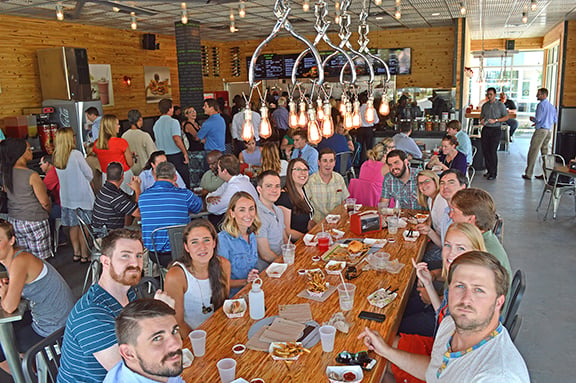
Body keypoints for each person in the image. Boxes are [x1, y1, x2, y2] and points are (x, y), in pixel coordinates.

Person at [359, 251, 529, 382]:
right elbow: (435, 372)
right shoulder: (450, 324)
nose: (466, 299)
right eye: (460, 286)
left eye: (479, 290)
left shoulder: (496, 376)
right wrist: (386, 350)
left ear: (499, 302)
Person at [58, 229, 174, 383]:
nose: (135, 263)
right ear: (106, 261)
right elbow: (134, 376)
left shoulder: (129, 292)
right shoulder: (92, 314)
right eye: (125, 256)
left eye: (139, 256)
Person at [0, 219, 74, 371]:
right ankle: (32, 368)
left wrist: (4, 292)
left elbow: (9, 307)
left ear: (11, 240)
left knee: (2, 346)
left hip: (54, 328)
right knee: (8, 332)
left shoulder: (20, 261)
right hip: (57, 318)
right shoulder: (17, 258)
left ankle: (27, 376)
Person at [165, 219, 231, 336]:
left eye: (206, 240)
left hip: (218, 331)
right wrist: (201, 341)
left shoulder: (224, 265)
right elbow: (177, 323)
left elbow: (223, 307)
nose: (202, 247)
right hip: (192, 339)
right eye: (194, 242)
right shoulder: (176, 275)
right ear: (187, 247)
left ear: (214, 243)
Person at [104, 299, 185, 383]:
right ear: (128, 353)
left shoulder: (158, 367)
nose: (176, 345)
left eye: (175, 331)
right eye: (157, 338)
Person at [139, 162, 202, 267]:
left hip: (154, 254)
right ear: (175, 177)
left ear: (155, 176)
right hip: (181, 252)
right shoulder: (184, 195)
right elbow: (198, 208)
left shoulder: (143, 197)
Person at [0, 138, 51, 259]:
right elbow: (44, 202)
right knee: (41, 260)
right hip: (34, 220)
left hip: (15, 220)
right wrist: (47, 212)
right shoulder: (31, 175)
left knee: (24, 258)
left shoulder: (6, 174)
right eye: (28, 149)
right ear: (20, 153)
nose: (31, 151)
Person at [449, 188, 513, 282]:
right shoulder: (483, 236)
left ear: (470, 219)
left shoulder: (479, 252)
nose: (450, 215)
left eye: (454, 211)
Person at [217, 192, 260, 297]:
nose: (248, 215)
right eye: (242, 210)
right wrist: (246, 281)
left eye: (251, 209)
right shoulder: (223, 240)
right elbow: (221, 282)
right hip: (235, 298)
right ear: (232, 213)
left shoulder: (252, 235)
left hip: (252, 291)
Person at [416, 169, 468, 248]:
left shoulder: (464, 215)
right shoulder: (447, 210)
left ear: (463, 187)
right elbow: (443, 244)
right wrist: (429, 231)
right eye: (442, 183)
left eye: (451, 182)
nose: (445, 186)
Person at [92, 162, 141, 237]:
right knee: (141, 234)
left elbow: (128, 204)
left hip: (99, 232)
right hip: (107, 237)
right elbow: (139, 213)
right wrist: (137, 189)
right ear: (122, 176)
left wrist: (135, 191)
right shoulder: (115, 196)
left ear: (107, 175)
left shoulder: (105, 189)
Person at [152, 99, 190, 189]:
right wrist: (185, 153)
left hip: (163, 157)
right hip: (176, 156)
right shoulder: (174, 122)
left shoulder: (156, 124)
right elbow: (176, 138)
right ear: (170, 109)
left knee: (166, 180)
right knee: (182, 180)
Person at [93, 114, 135, 194]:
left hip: (106, 176)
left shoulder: (97, 144)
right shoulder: (121, 142)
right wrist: (131, 156)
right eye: (117, 124)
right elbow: (130, 164)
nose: (119, 126)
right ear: (111, 127)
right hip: (123, 176)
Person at [305, 148, 349, 223]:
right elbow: (306, 207)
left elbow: (344, 202)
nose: (328, 164)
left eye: (331, 161)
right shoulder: (310, 181)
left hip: (337, 221)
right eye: (325, 161)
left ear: (335, 163)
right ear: (319, 162)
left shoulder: (339, 179)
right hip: (318, 223)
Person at [523, 87, 558, 180]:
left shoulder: (540, 105)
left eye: (538, 94)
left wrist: (533, 119)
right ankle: (547, 174)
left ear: (544, 95)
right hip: (548, 131)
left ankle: (528, 173)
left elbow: (538, 119)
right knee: (545, 153)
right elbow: (555, 120)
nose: (536, 96)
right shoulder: (552, 106)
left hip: (540, 131)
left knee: (533, 151)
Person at [277, 159, 314, 242]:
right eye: (298, 169)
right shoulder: (284, 197)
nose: (303, 173)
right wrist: (310, 238)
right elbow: (287, 231)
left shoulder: (302, 190)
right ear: (290, 172)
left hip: (307, 240)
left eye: (305, 170)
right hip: (296, 244)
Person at [349, 139, 395, 206]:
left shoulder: (365, 164)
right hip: (379, 203)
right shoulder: (386, 167)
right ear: (385, 156)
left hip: (362, 201)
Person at [255, 171, 287, 268]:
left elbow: (285, 239)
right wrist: (285, 264)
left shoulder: (278, 210)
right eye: (269, 186)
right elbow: (265, 254)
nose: (274, 190)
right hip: (266, 270)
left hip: (282, 260)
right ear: (259, 189)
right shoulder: (256, 214)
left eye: (277, 186)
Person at [480, 87, 509, 180]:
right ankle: (488, 170)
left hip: (496, 129)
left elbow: (506, 117)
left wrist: (496, 120)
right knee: (485, 150)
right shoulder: (485, 105)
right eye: (487, 94)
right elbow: (481, 116)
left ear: (495, 95)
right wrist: (482, 121)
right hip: (486, 128)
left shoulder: (500, 105)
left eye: (491, 94)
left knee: (492, 151)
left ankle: (493, 172)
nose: (489, 96)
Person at [121, 109, 157, 176]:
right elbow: (152, 154)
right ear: (140, 119)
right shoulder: (145, 135)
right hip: (145, 171)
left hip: (130, 172)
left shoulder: (124, 136)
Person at [40, 154, 64, 246]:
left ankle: (50, 241)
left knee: (45, 214)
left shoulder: (52, 173)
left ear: (47, 163)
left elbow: (42, 189)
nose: (40, 166)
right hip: (65, 203)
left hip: (63, 206)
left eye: (41, 163)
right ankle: (61, 238)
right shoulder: (56, 170)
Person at [416, 170, 447, 236]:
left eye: (427, 181)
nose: (423, 185)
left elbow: (442, 238)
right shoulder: (430, 199)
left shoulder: (441, 200)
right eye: (420, 183)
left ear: (435, 182)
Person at [357, 92, 377, 162]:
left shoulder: (358, 109)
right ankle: (370, 161)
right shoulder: (372, 110)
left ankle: (359, 162)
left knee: (360, 147)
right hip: (369, 130)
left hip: (360, 130)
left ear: (361, 101)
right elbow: (376, 121)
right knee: (369, 147)